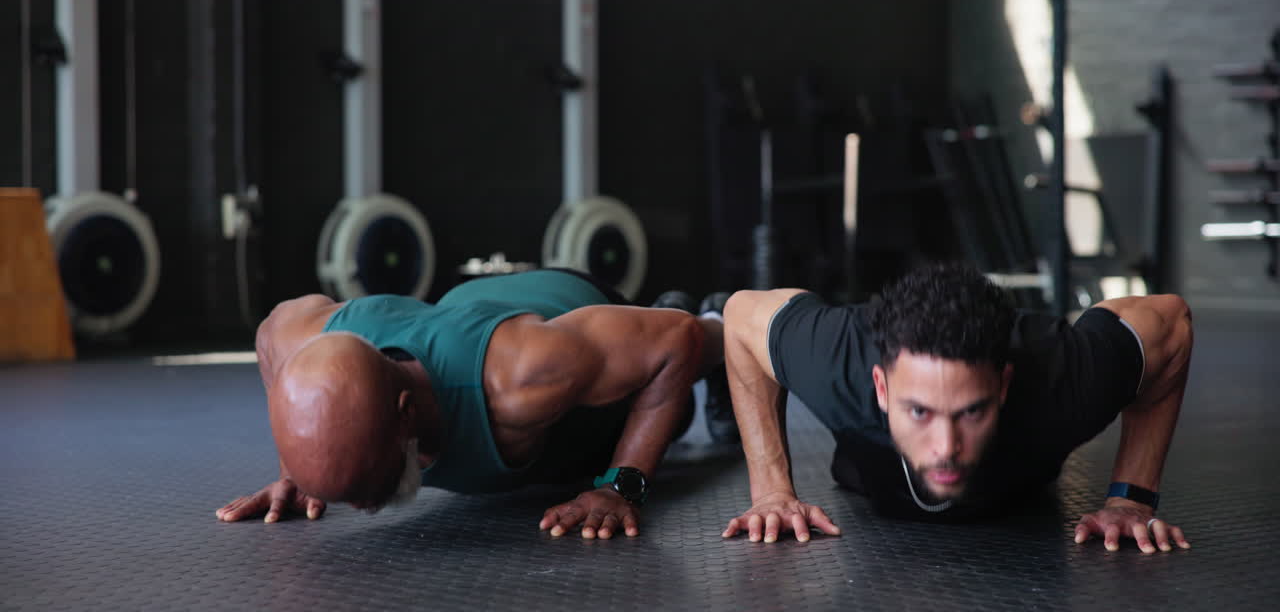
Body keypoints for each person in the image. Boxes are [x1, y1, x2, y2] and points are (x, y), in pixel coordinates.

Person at [215, 269, 727, 540]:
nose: (361, 508)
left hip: (564, 313)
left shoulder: (522, 376)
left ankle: (690, 304)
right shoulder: (298, 339)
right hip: (471, 304)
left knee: (674, 404)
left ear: (405, 413)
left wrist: (622, 488)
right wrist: (297, 469)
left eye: (369, 485)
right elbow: (268, 335)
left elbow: (678, 343)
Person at [720, 263, 1193, 554]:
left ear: (1003, 385)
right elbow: (742, 313)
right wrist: (770, 492)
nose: (946, 447)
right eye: (920, 412)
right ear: (881, 388)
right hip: (866, 476)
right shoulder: (835, 360)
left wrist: (1130, 498)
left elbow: (1170, 321)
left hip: (1024, 498)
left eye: (971, 412)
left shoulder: (1064, 375)